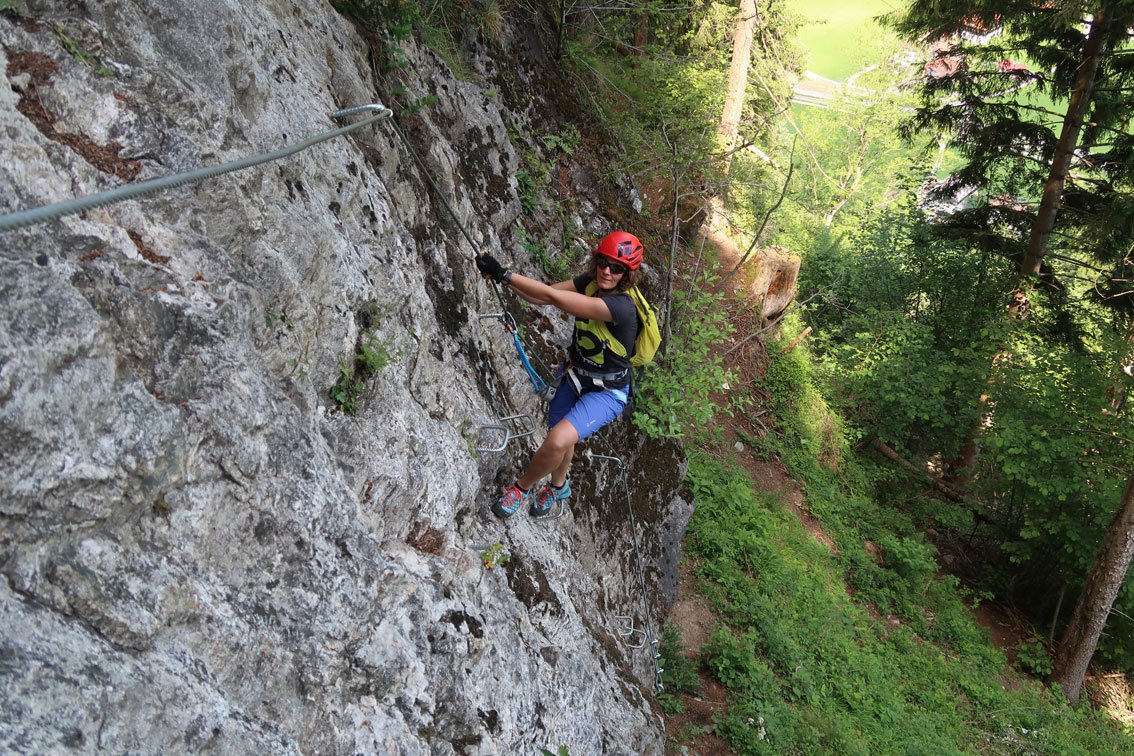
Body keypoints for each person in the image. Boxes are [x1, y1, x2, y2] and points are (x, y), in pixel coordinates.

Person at [474, 230, 645, 518]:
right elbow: (542, 296)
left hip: (607, 392)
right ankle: (558, 486)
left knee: (556, 440)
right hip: (576, 376)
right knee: (562, 438)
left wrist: (504, 273)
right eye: (603, 262)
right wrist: (502, 280)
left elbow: (553, 297)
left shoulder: (621, 307)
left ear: (627, 274)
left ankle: (521, 488)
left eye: (616, 268)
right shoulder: (590, 283)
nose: (607, 271)